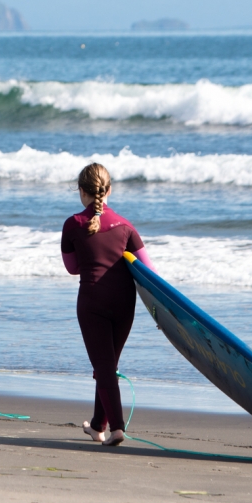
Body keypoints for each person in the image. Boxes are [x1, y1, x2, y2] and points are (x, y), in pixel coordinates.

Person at [60, 162, 154, 446]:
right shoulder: (127, 227)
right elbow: (149, 272)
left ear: (81, 191)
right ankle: (98, 426)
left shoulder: (73, 224)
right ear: (109, 190)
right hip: (125, 304)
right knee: (106, 365)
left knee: (103, 366)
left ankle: (117, 428)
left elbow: (72, 268)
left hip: (92, 302)